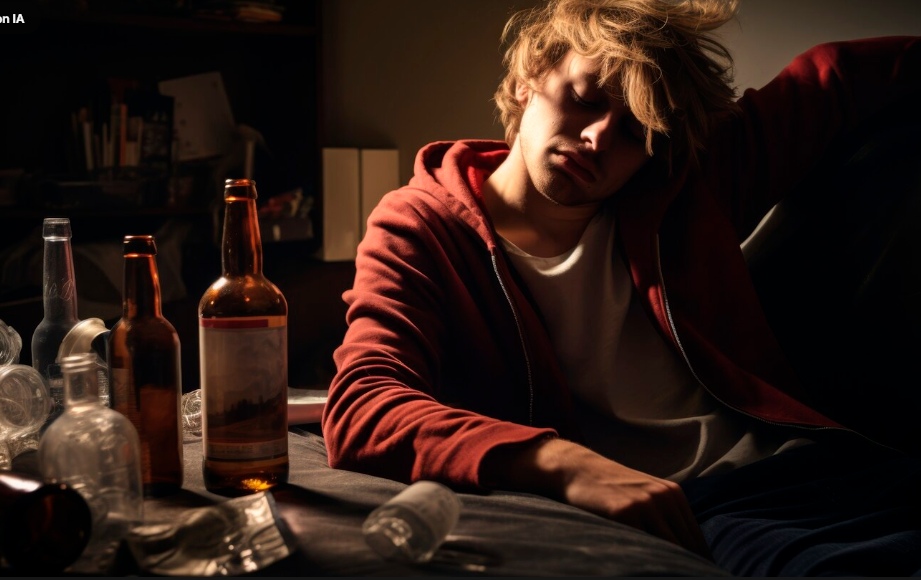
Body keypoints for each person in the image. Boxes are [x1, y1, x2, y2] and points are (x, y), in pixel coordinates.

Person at [322, 0, 921, 574]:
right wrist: (562, 463)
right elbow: (363, 405)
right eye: (585, 100)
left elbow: (833, 75)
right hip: (711, 505)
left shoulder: (676, 187)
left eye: (637, 131)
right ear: (528, 78)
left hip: (838, 463)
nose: (600, 139)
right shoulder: (422, 227)